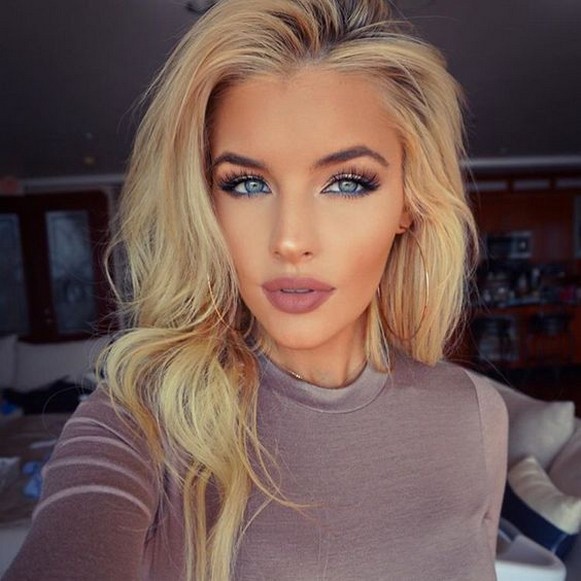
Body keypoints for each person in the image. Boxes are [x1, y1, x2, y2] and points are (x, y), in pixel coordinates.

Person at [4, 0, 508, 579]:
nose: (289, 240)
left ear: (408, 204)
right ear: (205, 206)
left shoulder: (475, 415)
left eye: (346, 183)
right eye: (246, 184)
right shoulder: (139, 424)